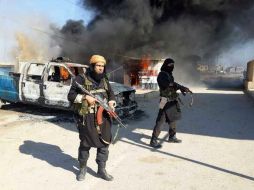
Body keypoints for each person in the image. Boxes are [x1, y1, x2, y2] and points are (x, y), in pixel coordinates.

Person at [68, 55, 116, 181]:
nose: (100, 68)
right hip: (87, 117)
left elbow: (111, 93)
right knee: (85, 143)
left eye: (102, 66)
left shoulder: (104, 79)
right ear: (93, 66)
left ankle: (101, 170)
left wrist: (111, 102)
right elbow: (71, 95)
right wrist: (85, 98)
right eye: (98, 66)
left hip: (103, 117)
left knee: (104, 143)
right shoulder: (81, 78)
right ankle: (82, 169)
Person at [150, 58, 192, 148]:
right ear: (165, 65)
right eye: (170, 65)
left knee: (173, 119)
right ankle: (153, 140)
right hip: (164, 101)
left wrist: (182, 88)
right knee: (160, 121)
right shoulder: (162, 75)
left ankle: (172, 137)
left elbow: (173, 85)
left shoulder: (169, 74)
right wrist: (177, 86)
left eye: (172, 65)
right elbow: (167, 84)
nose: (171, 66)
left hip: (172, 100)